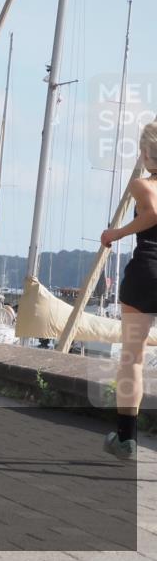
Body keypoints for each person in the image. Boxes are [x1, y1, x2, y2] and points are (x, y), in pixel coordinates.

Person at [101, 122, 157, 459]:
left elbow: (152, 213)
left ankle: (125, 440)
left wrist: (116, 233)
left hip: (145, 274)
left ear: (148, 153)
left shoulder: (142, 184)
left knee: (132, 358)